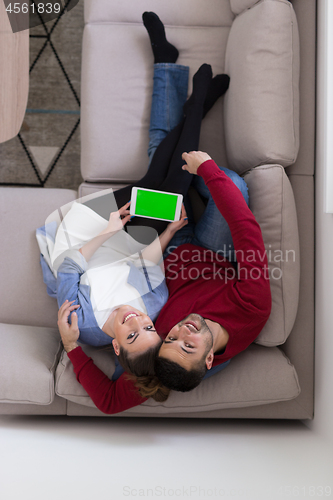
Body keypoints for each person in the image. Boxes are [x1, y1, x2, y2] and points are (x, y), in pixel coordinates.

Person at [37, 12, 230, 386]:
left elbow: (69, 270)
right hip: (132, 240)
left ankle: (198, 102)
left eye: (131, 333)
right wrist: (171, 232)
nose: (137, 320)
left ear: (115, 347)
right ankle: (196, 102)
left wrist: (107, 231)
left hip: (86, 236)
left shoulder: (87, 325)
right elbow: (149, 268)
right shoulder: (153, 310)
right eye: (147, 328)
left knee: (168, 183)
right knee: (164, 187)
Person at [153, 150, 272, 392]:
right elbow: (246, 232)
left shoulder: (161, 343)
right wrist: (207, 169)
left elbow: (113, 398)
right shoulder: (252, 310)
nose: (181, 332)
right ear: (210, 360)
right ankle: (191, 168)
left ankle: (181, 166)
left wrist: (71, 346)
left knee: (166, 160)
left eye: (171, 339)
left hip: (167, 249)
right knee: (234, 186)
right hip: (214, 253)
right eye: (188, 346)